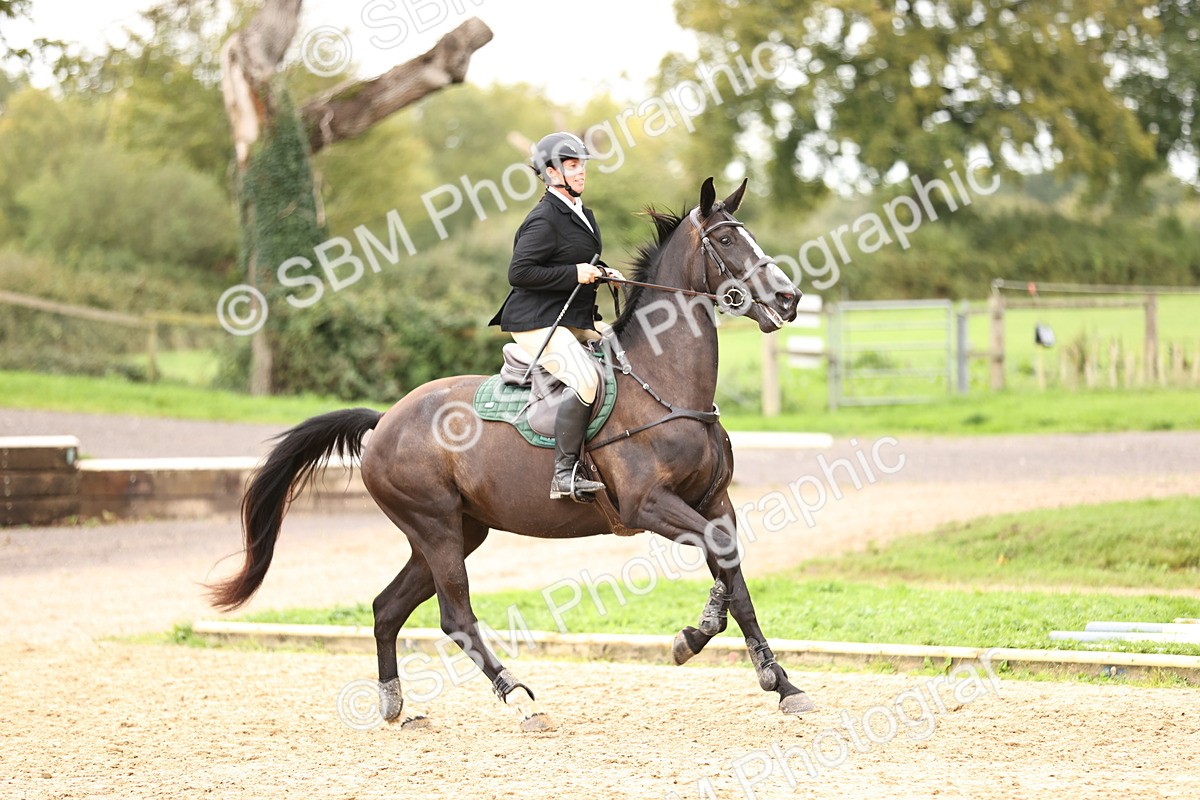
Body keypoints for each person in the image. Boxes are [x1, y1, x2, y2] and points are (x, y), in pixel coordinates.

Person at [488, 131, 624, 502]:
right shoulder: (545, 218)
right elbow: (519, 273)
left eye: (581, 165)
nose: (581, 172)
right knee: (586, 381)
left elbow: (574, 259)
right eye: (572, 165)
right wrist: (574, 273)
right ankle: (564, 474)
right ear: (551, 172)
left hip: (572, 319)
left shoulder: (581, 212)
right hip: (537, 322)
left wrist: (603, 272)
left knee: (626, 350)